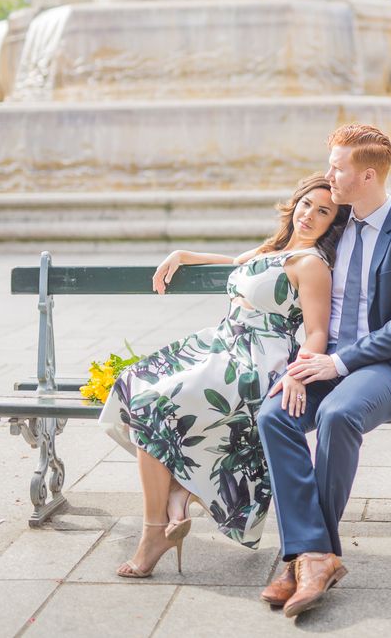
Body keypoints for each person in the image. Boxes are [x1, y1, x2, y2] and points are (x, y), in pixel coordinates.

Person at [99, 174, 349, 578]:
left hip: (255, 359)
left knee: (155, 407)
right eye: (307, 204)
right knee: (136, 389)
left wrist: (299, 375)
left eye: (324, 212)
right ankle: (178, 499)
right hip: (221, 344)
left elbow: (317, 331)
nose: (310, 215)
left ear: (332, 224)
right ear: (295, 202)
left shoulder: (312, 264)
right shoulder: (275, 249)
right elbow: (236, 263)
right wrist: (182, 254)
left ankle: (155, 532)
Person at [257, 124, 391, 618]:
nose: (328, 176)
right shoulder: (334, 225)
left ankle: (301, 560)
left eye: (337, 168)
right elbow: (272, 255)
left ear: (368, 175)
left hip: (386, 365)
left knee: (337, 415)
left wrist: (334, 362)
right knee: (274, 415)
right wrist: (300, 364)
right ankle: (315, 557)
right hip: (324, 357)